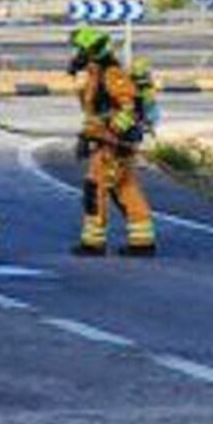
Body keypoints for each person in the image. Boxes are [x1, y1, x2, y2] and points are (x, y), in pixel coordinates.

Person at [68, 26, 156, 257]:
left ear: (92, 52)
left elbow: (128, 107)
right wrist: (87, 135)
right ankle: (142, 239)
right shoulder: (96, 73)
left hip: (113, 144)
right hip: (107, 141)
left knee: (95, 187)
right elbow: (94, 112)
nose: (76, 55)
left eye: (80, 51)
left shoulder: (112, 74)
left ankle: (93, 242)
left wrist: (111, 135)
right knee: (125, 187)